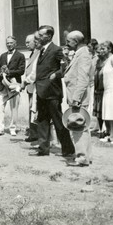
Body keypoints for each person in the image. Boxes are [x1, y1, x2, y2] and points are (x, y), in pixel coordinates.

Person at [24, 26, 74, 157]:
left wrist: (56, 75)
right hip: (41, 92)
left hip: (52, 93)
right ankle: (43, 149)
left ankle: (68, 150)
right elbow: (37, 72)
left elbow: (66, 67)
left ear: (49, 36)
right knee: (42, 121)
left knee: (58, 121)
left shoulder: (56, 50)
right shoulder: (41, 51)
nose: (38, 37)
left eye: (41, 35)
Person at [63, 30, 93, 166]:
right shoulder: (79, 54)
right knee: (82, 127)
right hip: (75, 96)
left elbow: (83, 78)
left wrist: (76, 98)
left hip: (78, 97)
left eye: (69, 41)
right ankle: (86, 156)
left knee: (77, 127)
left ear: (76, 41)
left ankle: (81, 157)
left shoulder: (83, 54)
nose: (67, 43)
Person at [0, 36, 25, 137]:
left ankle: (13, 128)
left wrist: (9, 72)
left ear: (15, 43)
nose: (9, 45)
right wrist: (1, 72)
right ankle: (0, 129)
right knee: (0, 107)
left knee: (14, 107)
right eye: (7, 43)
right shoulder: (2, 56)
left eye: (11, 43)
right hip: (3, 84)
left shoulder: (20, 55)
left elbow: (21, 70)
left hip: (14, 84)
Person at [98, 41, 113, 144]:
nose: (101, 51)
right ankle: (111, 135)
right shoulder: (107, 60)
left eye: (103, 49)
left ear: (109, 49)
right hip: (107, 89)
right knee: (110, 113)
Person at [22, 33, 40, 142]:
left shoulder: (38, 53)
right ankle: (33, 134)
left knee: (35, 111)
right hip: (30, 87)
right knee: (31, 111)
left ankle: (35, 134)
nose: (26, 44)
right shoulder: (32, 54)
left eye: (28, 42)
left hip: (35, 87)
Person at [92, 43, 107, 138]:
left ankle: (106, 129)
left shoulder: (107, 61)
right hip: (97, 88)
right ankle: (101, 129)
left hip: (104, 88)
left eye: (100, 51)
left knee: (104, 110)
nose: (98, 53)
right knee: (98, 111)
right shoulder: (97, 61)